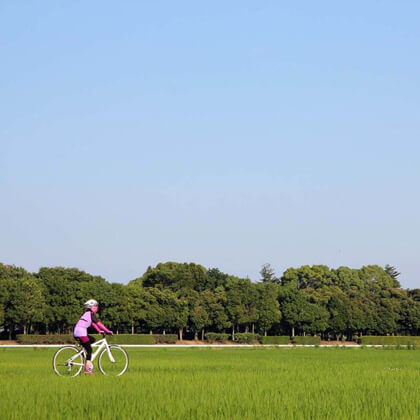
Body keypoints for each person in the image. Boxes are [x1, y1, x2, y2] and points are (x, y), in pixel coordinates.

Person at [73, 299, 113, 374]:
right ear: (91, 307)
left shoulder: (87, 314)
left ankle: (85, 353)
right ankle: (88, 369)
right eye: (95, 306)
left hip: (77, 332)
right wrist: (107, 331)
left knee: (92, 339)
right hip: (81, 333)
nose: (97, 307)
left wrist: (99, 331)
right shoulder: (90, 314)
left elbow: (93, 324)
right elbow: (98, 323)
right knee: (90, 350)